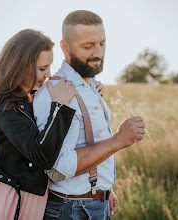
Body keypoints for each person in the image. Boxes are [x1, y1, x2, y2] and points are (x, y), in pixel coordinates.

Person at [0, 29, 106, 220]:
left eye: (49, 68)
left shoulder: (31, 98)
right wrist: (59, 106)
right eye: (42, 68)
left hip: (35, 196)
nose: (47, 75)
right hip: (13, 197)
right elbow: (42, 155)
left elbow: (66, 146)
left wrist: (88, 93)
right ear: (20, 66)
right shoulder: (6, 107)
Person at [33, 10, 146, 220]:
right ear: (65, 48)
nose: (99, 52)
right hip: (71, 210)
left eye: (102, 43)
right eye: (88, 46)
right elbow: (57, 168)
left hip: (93, 204)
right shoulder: (55, 93)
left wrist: (103, 190)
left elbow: (87, 141)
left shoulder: (92, 85)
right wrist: (118, 140)